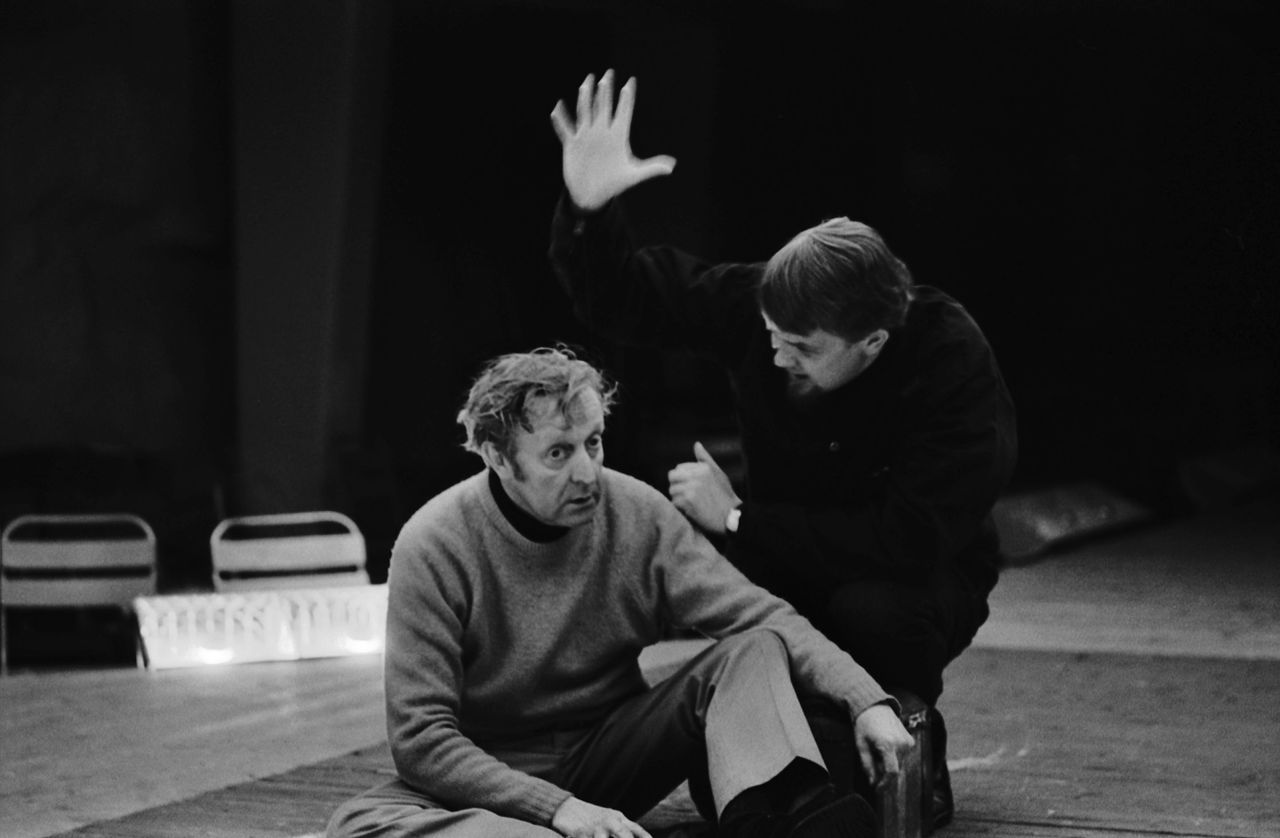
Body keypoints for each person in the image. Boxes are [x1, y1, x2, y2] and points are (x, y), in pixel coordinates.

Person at [548, 71, 1018, 833]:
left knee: (873, 612)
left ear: (871, 341)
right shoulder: (768, 304)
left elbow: (908, 538)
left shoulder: (950, 359)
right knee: (755, 652)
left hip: (914, 579)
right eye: (770, 336)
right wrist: (590, 208)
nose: (777, 358)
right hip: (786, 558)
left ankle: (911, 737)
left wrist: (737, 522)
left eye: (801, 347)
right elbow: (627, 297)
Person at [326, 346, 914, 838]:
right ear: (498, 457)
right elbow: (420, 740)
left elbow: (755, 612)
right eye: (559, 453)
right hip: (496, 778)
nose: (587, 472)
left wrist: (864, 699)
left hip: (613, 751)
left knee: (753, 646)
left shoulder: (635, 511)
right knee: (359, 825)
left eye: (594, 442)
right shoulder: (433, 544)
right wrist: (558, 811)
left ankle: (786, 816)